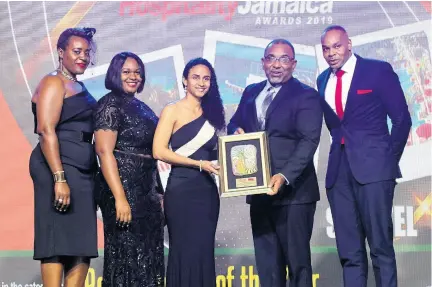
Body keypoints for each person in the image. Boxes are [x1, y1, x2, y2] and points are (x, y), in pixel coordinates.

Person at [317, 25, 412, 287]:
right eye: (326, 48)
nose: (331, 53)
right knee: (349, 254)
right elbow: (335, 126)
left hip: (375, 171)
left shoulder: (377, 70)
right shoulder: (322, 79)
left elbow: (402, 120)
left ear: (350, 44)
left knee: (380, 248)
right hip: (339, 174)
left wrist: (386, 160)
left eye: (336, 46)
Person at [227, 39, 323, 287]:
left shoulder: (306, 95)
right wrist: (236, 129)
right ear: (263, 63)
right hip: (259, 191)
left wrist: (283, 176)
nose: (277, 65)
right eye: (271, 58)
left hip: (294, 193)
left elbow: (309, 140)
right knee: (267, 266)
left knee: (297, 264)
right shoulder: (251, 92)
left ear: (293, 64)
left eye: (283, 59)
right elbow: (234, 122)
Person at [29, 27, 98, 286]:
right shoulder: (52, 82)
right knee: (56, 244)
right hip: (57, 167)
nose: (83, 57)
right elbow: (46, 131)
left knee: (81, 245)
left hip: (82, 172)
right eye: (77, 51)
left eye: (86, 53)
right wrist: (60, 178)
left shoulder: (77, 84)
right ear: (61, 52)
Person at [93, 52, 165, 286]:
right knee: (126, 256)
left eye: (137, 72)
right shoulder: (109, 104)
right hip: (122, 190)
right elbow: (104, 152)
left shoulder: (140, 106)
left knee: (147, 257)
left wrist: (159, 192)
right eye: (127, 72)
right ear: (115, 74)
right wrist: (120, 199)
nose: (133, 77)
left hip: (147, 192)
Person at [153, 57, 225, 287]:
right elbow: (159, 150)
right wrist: (198, 164)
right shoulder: (172, 110)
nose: (201, 83)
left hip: (207, 192)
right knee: (182, 251)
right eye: (196, 77)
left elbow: (217, 151)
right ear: (185, 80)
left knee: (203, 251)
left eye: (206, 78)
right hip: (181, 190)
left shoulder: (214, 112)